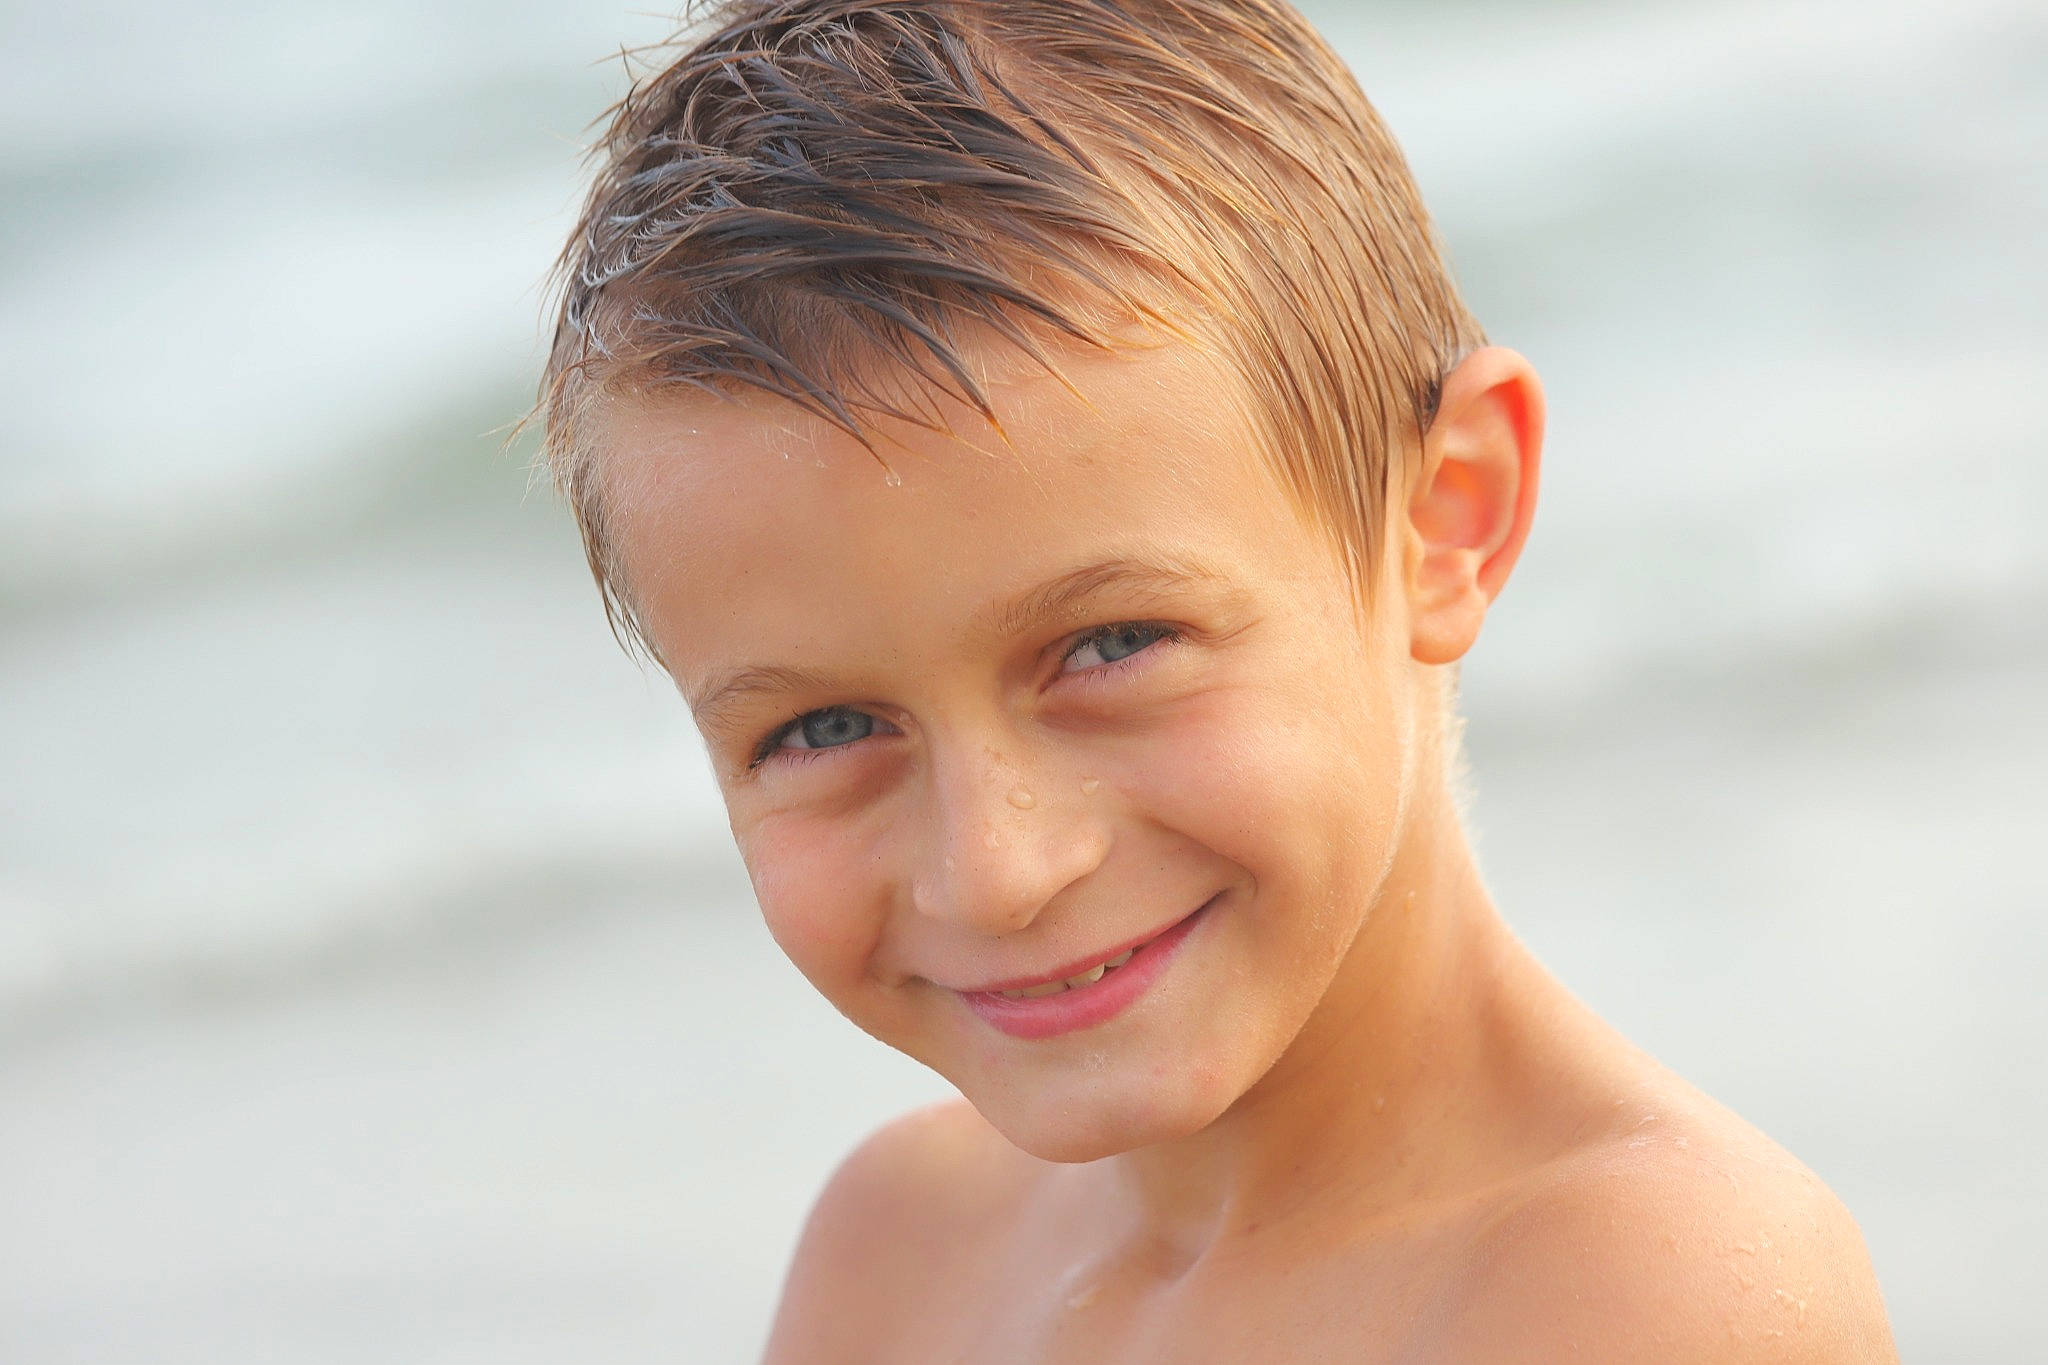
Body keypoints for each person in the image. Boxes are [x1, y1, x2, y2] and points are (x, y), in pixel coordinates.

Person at [534, 1, 1899, 1358]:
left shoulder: (1647, 1285)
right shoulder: (893, 1250)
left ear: (1445, 520)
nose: (996, 869)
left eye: (1110, 646)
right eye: (824, 727)